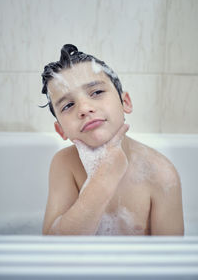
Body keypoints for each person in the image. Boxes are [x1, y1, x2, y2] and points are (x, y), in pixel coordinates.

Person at [41, 44, 184, 235]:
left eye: (97, 92)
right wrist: (103, 179)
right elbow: (53, 249)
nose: (84, 108)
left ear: (125, 102)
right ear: (61, 130)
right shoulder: (64, 164)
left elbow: (170, 259)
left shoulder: (160, 174)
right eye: (68, 105)